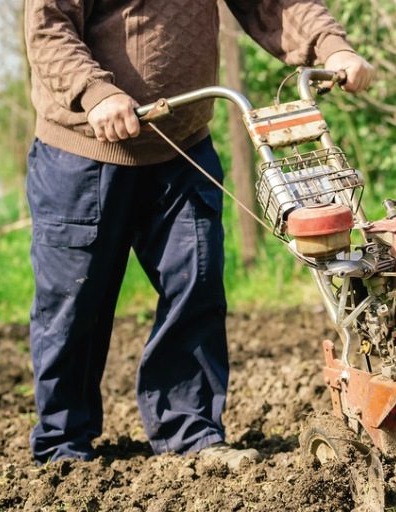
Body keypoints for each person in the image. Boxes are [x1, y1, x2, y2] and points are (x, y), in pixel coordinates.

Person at [24, 0, 374, 468]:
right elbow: (48, 26)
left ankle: (189, 434)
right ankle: (63, 446)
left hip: (183, 147)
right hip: (84, 154)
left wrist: (332, 48)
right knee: (73, 304)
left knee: (196, 288)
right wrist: (94, 91)